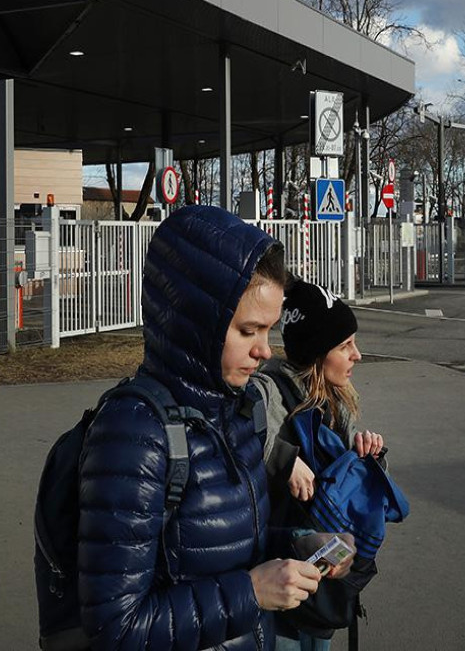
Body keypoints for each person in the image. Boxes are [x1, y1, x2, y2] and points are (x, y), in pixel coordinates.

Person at [77, 206, 349, 650]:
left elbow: (219, 546)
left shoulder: (239, 411)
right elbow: (116, 629)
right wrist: (252, 592)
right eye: (248, 331)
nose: (265, 351)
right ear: (194, 321)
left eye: (268, 330)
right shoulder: (133, 436)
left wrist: (300, 545)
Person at [254, 279, 388, 651]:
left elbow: (345, 486)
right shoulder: (266, 392)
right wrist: (283, 460)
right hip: (280, 575)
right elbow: (233, 435)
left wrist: (368, 457)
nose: (356, 355)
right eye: (345, 346)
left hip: (324, 572)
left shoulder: (338, 402)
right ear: (316, 352)